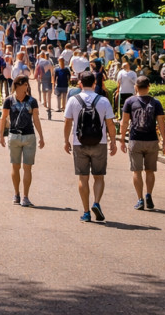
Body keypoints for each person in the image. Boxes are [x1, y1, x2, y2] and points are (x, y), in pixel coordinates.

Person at [63, 71, 118, 223]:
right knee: (99, 176)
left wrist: (66, 140)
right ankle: (96, 203)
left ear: (80, 83)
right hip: (99, 143)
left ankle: (86, 212)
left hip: (79, 143)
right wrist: (113, 141)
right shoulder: (103, 101)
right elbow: (110, 124)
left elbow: (68, 122)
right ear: (95, 83)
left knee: (83, 178)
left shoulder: (73, 100)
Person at [119, 77, 165, 210]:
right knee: (150, 171)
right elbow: (162, 124)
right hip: (152, 140)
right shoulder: (156, 103)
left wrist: (122, 139)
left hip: (135, 140)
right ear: (149, 87)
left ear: (136, 87)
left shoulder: (130, 101)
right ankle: (149, 195)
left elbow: (124, 122)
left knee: (137, 171)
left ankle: (140, 199)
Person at [0, 74, 45, 207]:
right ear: (18, 85)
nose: (27, 87)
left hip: (29, 136)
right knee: (15, 166)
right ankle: (16, 194)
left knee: (27, 168)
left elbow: (36, 119)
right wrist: (1, 135)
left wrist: (41, 136)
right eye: (25, 84)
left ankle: (25, 196)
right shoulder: (9, 100)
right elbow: (3, 118)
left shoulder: (32, 101)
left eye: (27, 85)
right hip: (14, 136)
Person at [34, 53, 55, 118]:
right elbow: (52, 73)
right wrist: (53, 82)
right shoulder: (49, 62)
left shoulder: (39, 62)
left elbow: (36, 71)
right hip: (48, 79)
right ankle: (49, 108)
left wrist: (38, 79)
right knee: (49, 94)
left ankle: (45, 103)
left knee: (43, 92)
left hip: (42, 78)